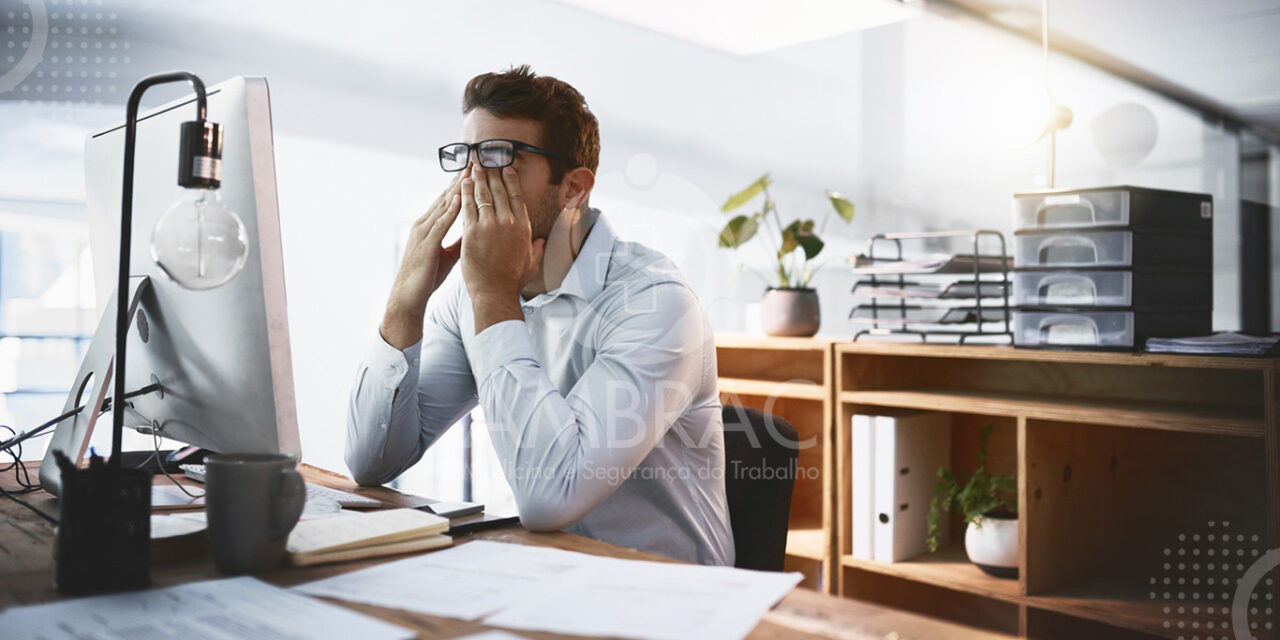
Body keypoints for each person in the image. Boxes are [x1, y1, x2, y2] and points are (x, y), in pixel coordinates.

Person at [345, 65, 734, 566]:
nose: (471, 181)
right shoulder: (472, 295)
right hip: (540, 574)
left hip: (668, 600)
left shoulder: (656, 302)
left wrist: (492, 294)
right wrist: (404, 302)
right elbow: (372, 461)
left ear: (573, 188)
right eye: (464, 157)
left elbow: (551, 497)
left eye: (498, 157)